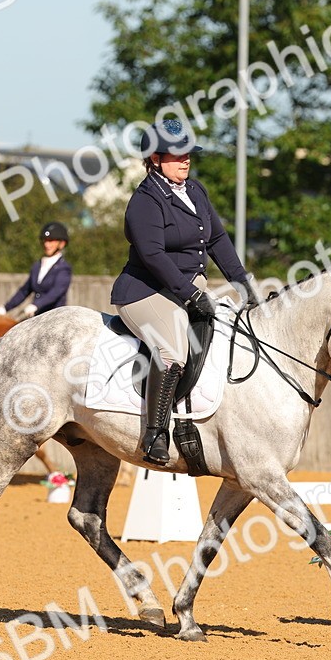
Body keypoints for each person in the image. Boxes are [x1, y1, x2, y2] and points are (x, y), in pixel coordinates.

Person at [111, 118, 259, 465]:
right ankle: (154, 434)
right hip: (146, 292)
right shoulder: (144, 201)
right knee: (174, 349)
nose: (186, 160)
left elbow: (218, 240)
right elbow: (153, 256)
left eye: (188, 154)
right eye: (177, 155)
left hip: (189, 285)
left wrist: (243, 284)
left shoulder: (195, 191)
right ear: (154, 159)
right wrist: (191, 295)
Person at [0, 222, 73, 319]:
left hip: (55, 318)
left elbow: (56, 291)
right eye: (45, 241)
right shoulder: (37, 266)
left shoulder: (63, 268)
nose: (46, 244)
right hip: (37, 318)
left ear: (61, 244)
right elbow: (24, 291)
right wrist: (5, 308)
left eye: (51, 241)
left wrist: (36, 305)